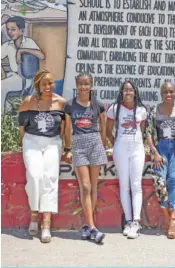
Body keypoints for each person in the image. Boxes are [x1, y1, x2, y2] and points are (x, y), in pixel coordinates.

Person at [18, 69, 66, 243]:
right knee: (34, 175)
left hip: (53, 142)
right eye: (44, 83)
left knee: (50, 178)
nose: (48, 86)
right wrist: (26, 144)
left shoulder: (61, 103)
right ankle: (34, 214)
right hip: (32, 141)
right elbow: (22, 127)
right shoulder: (28, 102)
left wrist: (66, 146)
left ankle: (46, 224)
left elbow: (64, 127)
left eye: (51, 83)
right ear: (38, 84)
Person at [145, 82, 175, 239]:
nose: (168, 94)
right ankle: (166, 213)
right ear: (161, 93)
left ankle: (172, 217)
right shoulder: (154, 110)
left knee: (174, 181)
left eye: (171, 91)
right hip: (161, 149)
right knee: (159, 182)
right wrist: (155, 153)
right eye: (165, 91)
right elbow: (149, 133)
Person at [64, 73, 107, 244]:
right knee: (85, 186)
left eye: (86, 84)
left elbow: (103, 126)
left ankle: (87, 225)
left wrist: (102, 146)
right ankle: (93, 228)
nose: (83, 87)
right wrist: (68, 149)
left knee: (94, 187)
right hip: (79, 145)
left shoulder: (98, 104)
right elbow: (67, 128)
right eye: (81, 84)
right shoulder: (70, 105)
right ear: (76, 85)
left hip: (95, 143)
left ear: (91, 85)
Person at [106, 81, 147, 239]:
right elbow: (108, 130)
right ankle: (128, 221)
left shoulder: (142, 110)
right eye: (125, 90)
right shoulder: (114, 109)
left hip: (137, 149)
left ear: (135, 92)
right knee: (124, 185)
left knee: (136, 185)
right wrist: (116, 142)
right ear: (121, 92)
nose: (128, 92)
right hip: (120, 149)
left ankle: (136, 222)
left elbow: (142, 132)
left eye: (130, 90)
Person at [1, 16, 44, 110]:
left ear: (21, 30)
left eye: (13, 29)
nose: (10, 32)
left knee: (1, 87)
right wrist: (2, 72)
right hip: (12, 75)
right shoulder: (8, 45)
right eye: (8, 29)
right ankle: (6, 112)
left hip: (24, 79)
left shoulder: (28, 42)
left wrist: (21, 50)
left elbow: (41, 56)